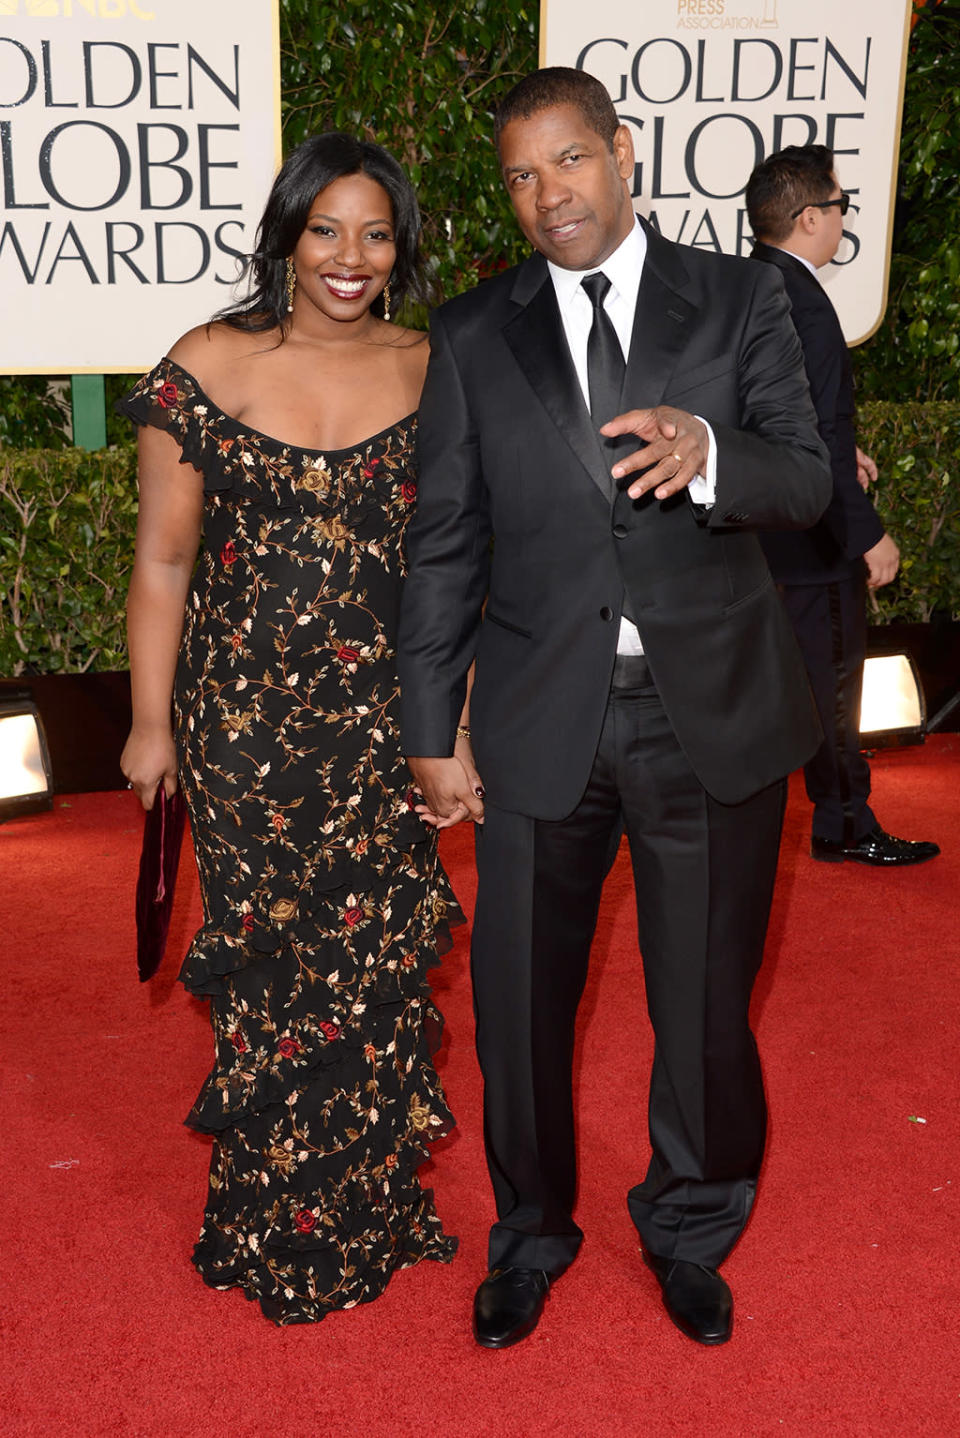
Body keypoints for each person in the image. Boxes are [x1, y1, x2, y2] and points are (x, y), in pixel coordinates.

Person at [396, 66, 832, 1351]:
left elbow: (805, 477)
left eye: (569, 161)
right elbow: (445, 543)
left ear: (623, 153)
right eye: (523, 177)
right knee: (521, 997)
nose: (549, 196)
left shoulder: (744, 296)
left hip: (712, 708)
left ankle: (692, 1221)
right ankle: (530, 1231)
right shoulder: (475, 333)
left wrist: (711, 453)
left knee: (704, 997)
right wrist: (430, 724)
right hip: (541, 714)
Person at [119, 133, 466, 1325]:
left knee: (371, 976)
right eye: (326, 229)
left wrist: (455, 713)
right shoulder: (204, 363)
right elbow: (163, 562)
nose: (350, 257)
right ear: (285, 233)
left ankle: (366, 1206)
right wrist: (147, 725)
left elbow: (459, 565)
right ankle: (271, 1220)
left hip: (382, 730)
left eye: (375, 233)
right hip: (239, 735)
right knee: (275, 975)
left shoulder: (438, 365)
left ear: (401, 245)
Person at [746, 145, 940, 866]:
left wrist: (830, 457)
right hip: (811, 538)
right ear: (807, 218)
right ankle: (844, 820)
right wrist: (865, 532)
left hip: (755, 534)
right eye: (839, 206)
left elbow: (761, 420)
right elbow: (820, 430)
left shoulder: (745, 287)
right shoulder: (804, 302)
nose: (843, 219)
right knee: (829, 681)